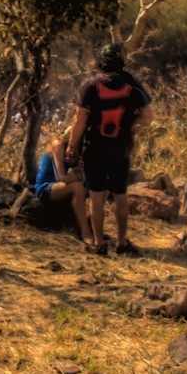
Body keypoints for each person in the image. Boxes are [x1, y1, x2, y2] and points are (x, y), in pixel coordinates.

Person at [65, 42, 152, 256]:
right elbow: (148, 118)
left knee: (96, 195)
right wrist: (129, 126)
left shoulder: (90, 85)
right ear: (121, 61)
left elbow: (79, 120)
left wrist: (72, 146)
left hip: (93, 148)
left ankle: (98, 243)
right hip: (120, 149)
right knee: (120, 194)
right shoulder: (132, 83)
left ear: (100, 62)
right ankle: (122, 242)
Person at [31, 130, 92, 243]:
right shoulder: (58, 145)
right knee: (78, 186)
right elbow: (61, 177)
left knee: (94, 187)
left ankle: (88, 223)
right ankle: (85, 232)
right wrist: (80, 176)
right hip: (46, 187)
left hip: (61, 186)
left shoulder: (76, 150)